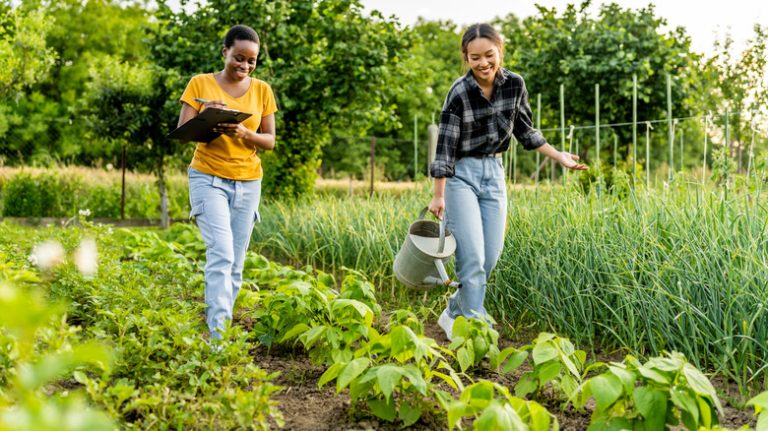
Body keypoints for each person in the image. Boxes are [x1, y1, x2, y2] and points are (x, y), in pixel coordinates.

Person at [428, 23, 587, 340]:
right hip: (461, 176)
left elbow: (526, 132)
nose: (483, 63)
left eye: (489, 55)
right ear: (466, 58)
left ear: (499, 51)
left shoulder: (515, 84)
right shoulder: (459, 92)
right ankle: (473, 331)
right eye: (475, 58)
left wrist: (558, 156)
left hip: (494, 174)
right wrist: (438, 195)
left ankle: (453, 312)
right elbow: (444, 147)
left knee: (490, 257)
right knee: (472, 259)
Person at [177, 24, 277, 341]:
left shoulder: (262, 90)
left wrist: (247, 134)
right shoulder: (200, 84)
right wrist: (208, 115)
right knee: (221, 254)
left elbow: (270, 140)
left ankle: (223, 329)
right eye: (238, 58)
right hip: (209, 177)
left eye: (251, 61)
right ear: (225, 52)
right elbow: (183, 133)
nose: (244, 66)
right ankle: (218, 340)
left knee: (236, 262)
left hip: (248, 182)